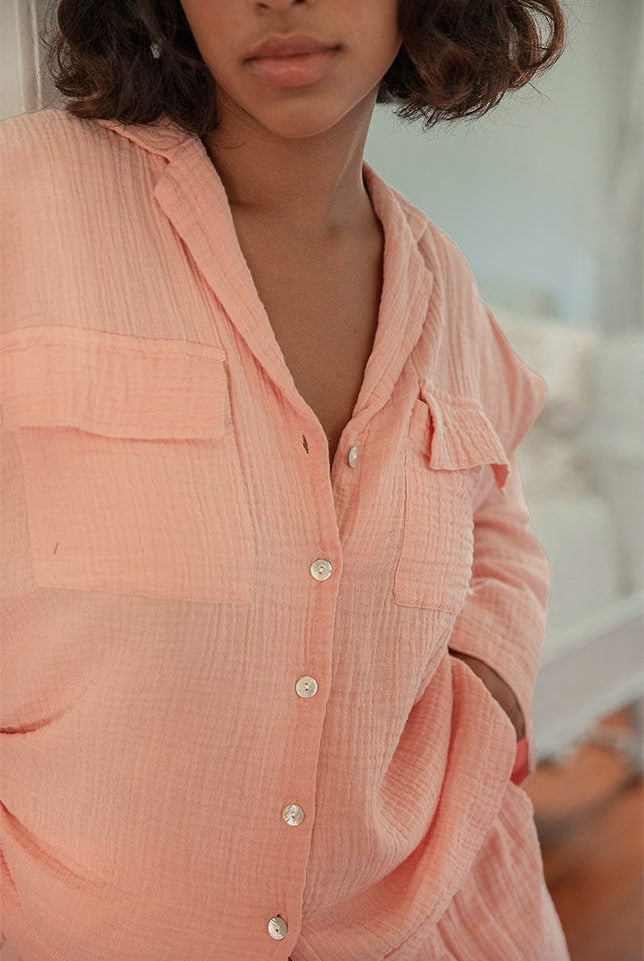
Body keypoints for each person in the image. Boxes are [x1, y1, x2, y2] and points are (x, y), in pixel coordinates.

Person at [0, 0, 570, 958]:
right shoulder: (23, 200)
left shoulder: (446, 287)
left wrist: (493, 680)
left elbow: (501, 515)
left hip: (412, 923)